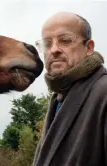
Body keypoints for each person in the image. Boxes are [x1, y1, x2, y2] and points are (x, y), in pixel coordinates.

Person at [33, 12, 107, 166]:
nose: (54, 50)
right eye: (47, 44)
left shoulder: (103, 92)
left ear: (89, 47)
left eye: (65, 40)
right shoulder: (59, 97)